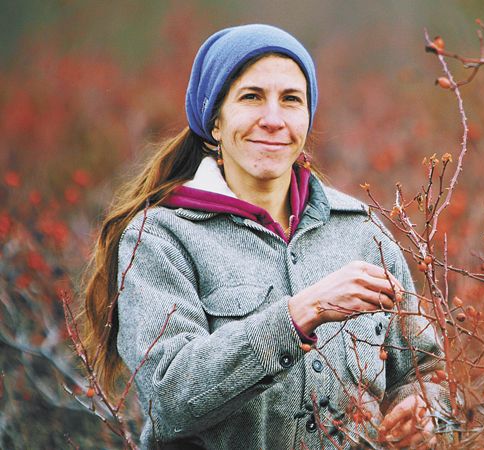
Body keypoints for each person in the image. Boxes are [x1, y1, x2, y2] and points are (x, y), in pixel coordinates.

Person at [81, 24, 448, 449]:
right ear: (214, 121)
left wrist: (423, 412)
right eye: (251, 97)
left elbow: (425, 369)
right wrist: (298, 315)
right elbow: (170, 397)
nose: (273, 120)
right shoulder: (160, 239)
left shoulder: (361, 230)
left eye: (291, 100)